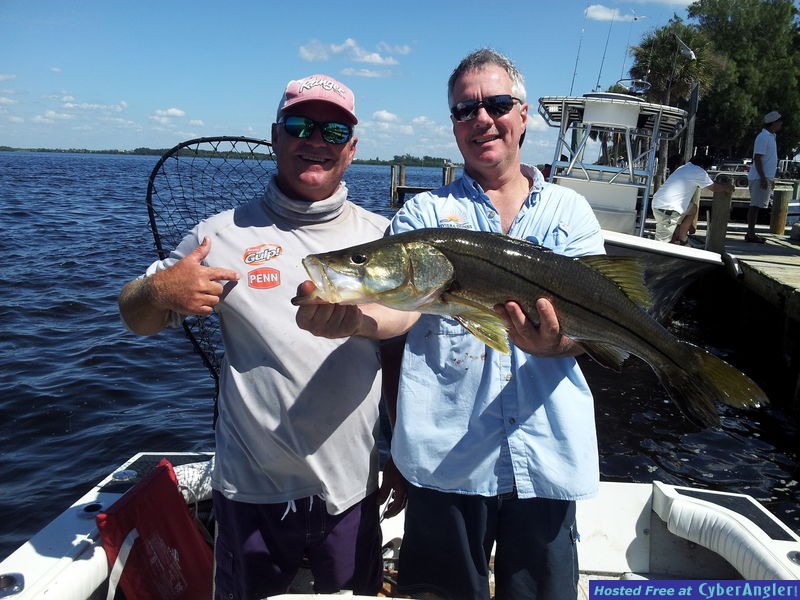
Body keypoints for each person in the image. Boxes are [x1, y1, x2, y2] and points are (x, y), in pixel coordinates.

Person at [297, 48, 606, 600]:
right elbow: (400, 309)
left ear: (523, 115)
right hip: (448, 462)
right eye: (465, 110)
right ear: (454, 125)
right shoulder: (423, 216)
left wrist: (560, 344)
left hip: (549, 457)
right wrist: (356, 321)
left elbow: (590, 332)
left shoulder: (571, 212)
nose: (482, 119)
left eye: (497, 104)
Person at [119, 74, 398, 599]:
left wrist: (401, 455)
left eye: (334, 131)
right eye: (300, 126)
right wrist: (158, 291)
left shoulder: (383, 237)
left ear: (353, 148)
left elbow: (402, 350)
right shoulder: (217, 236)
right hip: (251, 490)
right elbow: (136, 317)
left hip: (351, 487)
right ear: (275, 135)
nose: (316, 140)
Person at [651, 153, 734, 245]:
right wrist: (727, 187)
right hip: (669, 210)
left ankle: (682, 238)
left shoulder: (683, 168)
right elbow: (714, 187)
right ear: (703, 166)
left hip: (657, 204)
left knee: (693, 208)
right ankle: (676, 239)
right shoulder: (699, 172)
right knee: (661, 244)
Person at [746, 110, 783, 243]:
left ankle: (751, 233)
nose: (781, 123)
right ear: (773, 123)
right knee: (755, 206)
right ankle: (750, 234)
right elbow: (757, 158)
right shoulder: (763, 137)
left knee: (757, 205)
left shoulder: (772, 136)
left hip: (765, 176)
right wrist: (762, 177)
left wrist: (770, 179)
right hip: (759, 176)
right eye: (779, 121)